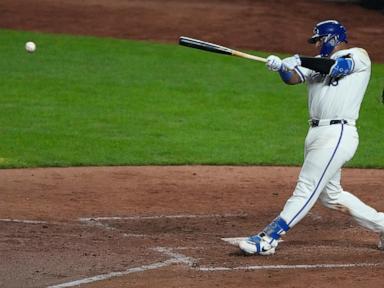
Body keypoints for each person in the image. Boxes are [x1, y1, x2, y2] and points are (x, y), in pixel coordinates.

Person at [239, 20, 384, 255]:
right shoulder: (315, 63)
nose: (316, 44)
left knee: (306, 187)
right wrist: (281, 67)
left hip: (338, 133)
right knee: (331, 196)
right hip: (315, 133)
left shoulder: (358, 55)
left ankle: (268, 239)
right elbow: (293, 78)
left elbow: (337, 68)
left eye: (318, 39)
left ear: (332, 38)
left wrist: (299, 59)